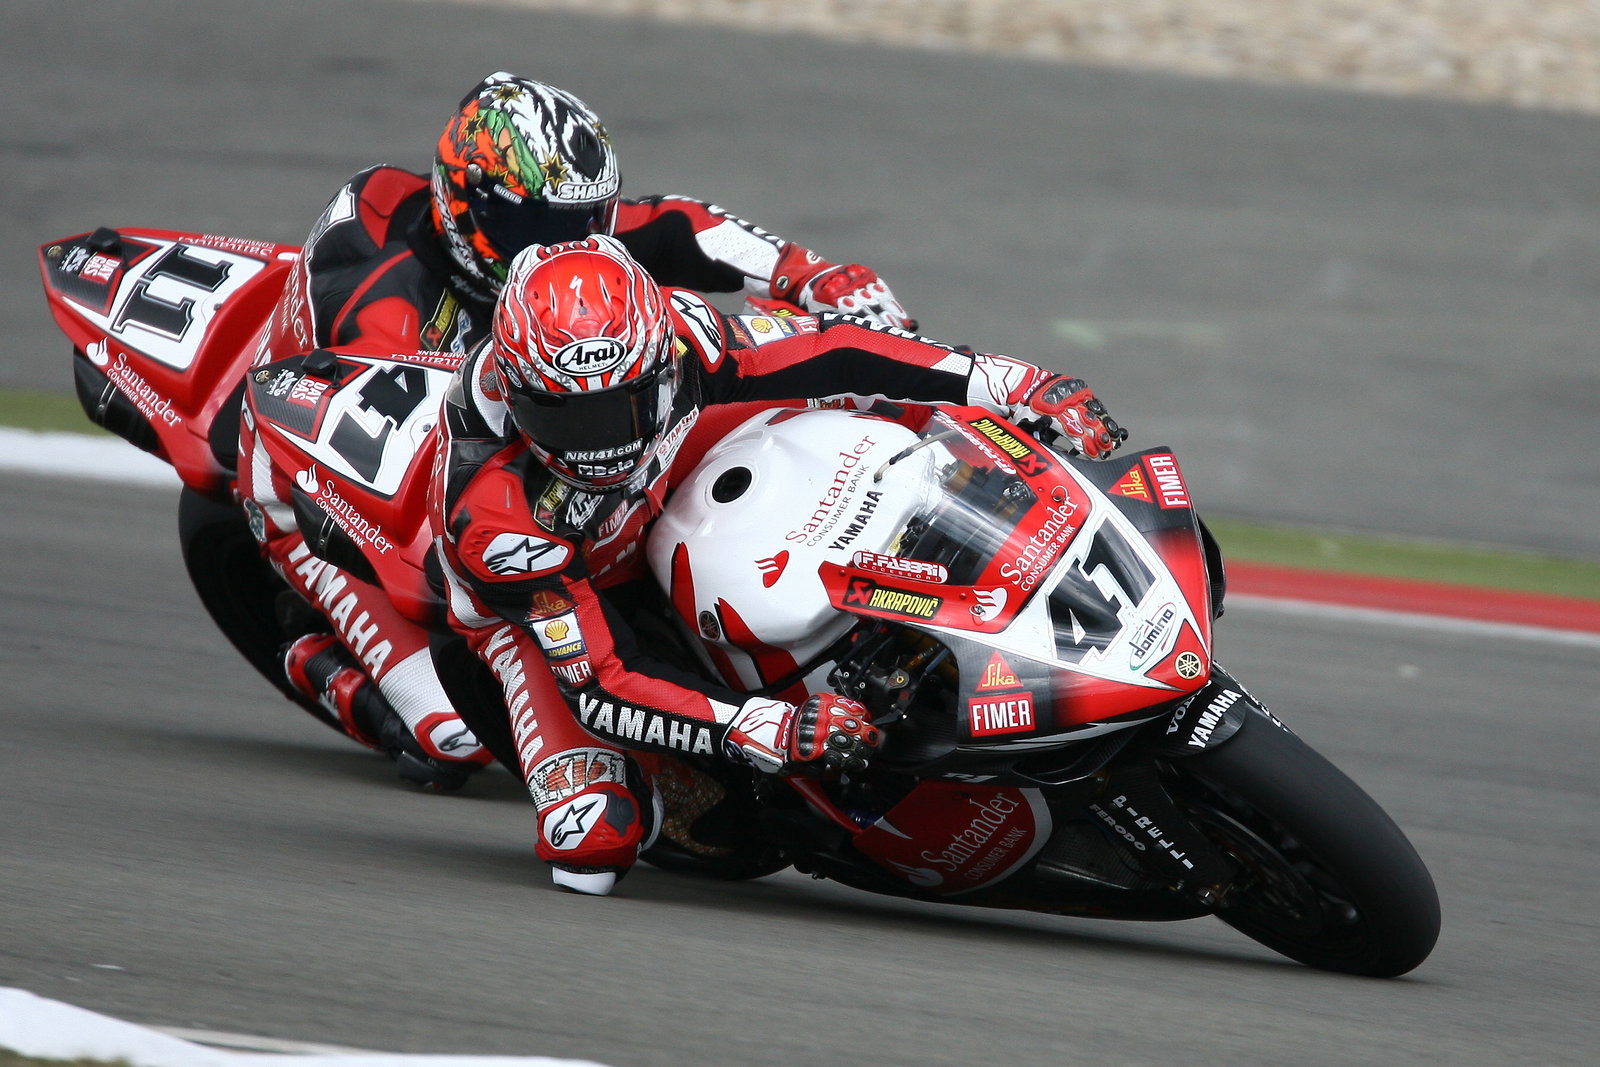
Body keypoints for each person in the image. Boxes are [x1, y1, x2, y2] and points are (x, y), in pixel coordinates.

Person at [250, 71, 915, 787]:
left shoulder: (550, 226)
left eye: (585, 221)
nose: (565, 245)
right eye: (537, 229)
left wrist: (805, 273)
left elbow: (673, 224)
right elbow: (446, 473)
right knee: (451, 734)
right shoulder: (386, 309)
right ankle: (312, 659)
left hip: (532, 425)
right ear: (463, 201)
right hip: (331, 480)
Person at [429, 234, 1126, 894]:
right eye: (572, 420)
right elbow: (603, 682)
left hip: (671, 469)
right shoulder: (496, 519)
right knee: (595, 844)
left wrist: (1011, 384)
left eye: (625, 404)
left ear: (657, 361)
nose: (603, 441)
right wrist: (765, 726)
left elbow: (836, 350)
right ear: (520, 399)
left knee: (854, 398)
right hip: (550, 602)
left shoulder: (679, 337)